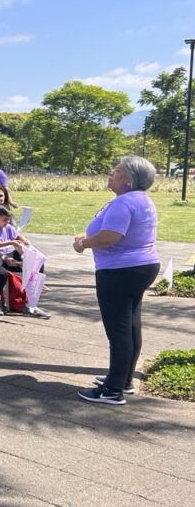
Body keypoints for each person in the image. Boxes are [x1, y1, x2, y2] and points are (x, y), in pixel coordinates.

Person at [74, 157, 160, 406]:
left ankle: (112, 391)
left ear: (129, 180)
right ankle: (123, 379)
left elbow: (110, 236)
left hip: (120, 271)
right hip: (142, 266)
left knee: (119, 330)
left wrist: (83, 243)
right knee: (131, 324)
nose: (111, 174)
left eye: (118, 171)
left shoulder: (125, 202)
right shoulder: (142, 200)